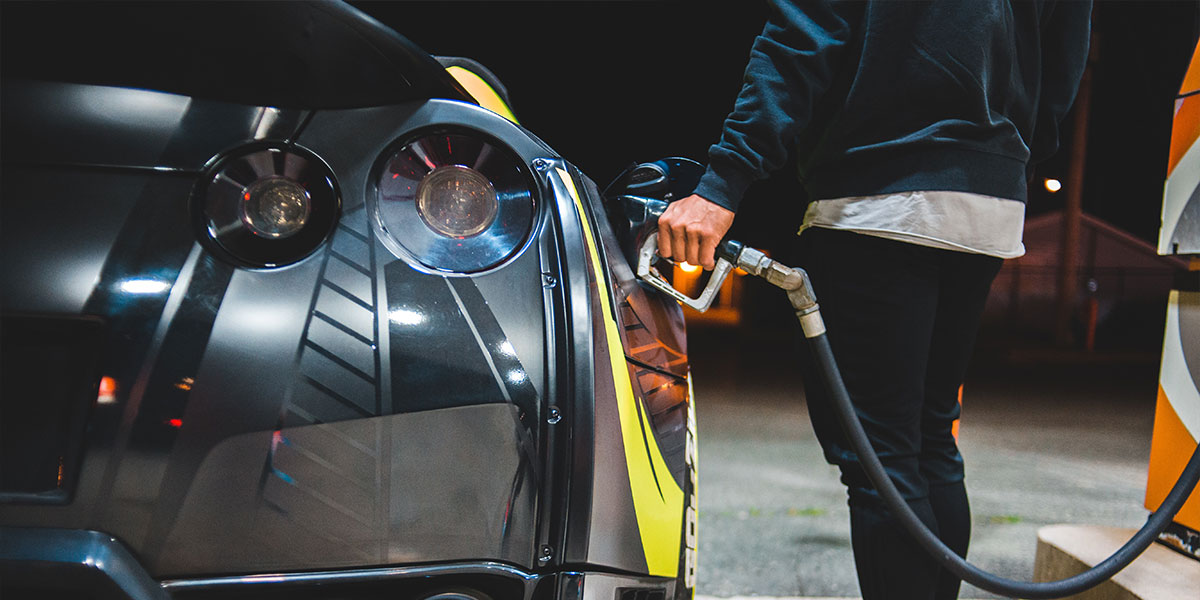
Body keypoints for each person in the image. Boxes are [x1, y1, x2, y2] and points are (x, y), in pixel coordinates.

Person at [656, 1, 1092, 598]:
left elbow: (803, 34)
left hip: (880, 190)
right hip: (991, 198)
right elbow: (1066, 47)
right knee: (931, 438)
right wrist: (1005, 150)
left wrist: (724, 182)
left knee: (882, 459)